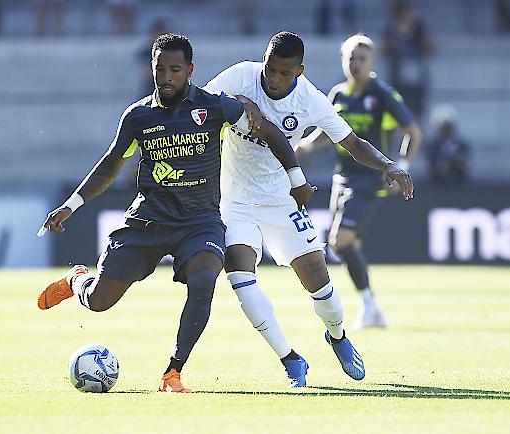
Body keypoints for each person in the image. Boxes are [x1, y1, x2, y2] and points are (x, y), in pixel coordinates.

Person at [36, 33, 315, 393]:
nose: (166, 77)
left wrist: (297, 180)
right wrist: (71, 205)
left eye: (175, 69)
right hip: (148, 221)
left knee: (204, 278)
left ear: (190, 70)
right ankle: (76, 280)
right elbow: (110, 166)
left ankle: (173, 372)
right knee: (99, 301)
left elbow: (272, 134)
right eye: (159, 69)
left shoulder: (215, 107)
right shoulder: (137, 117)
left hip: (200, 223)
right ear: (151, 70)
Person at [204, 32, 414, 387]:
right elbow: (198, 104)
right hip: (236, 202)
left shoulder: (310, 99)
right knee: (240, 278)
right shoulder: (241, 76)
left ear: (299, 71)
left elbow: (354, 144)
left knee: (317, 277)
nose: (273, 79)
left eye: (284, 73)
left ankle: (338, 335)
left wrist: (389, 165)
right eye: (270, 69)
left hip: (283, 201)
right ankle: (290, 359)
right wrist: (236, 102)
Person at [297, 33, 421, 329]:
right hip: (342, 178)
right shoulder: (338, 95)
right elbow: (329, 132)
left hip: (370, 178)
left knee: (340, 241)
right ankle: (371, 307)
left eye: (362, 58)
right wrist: (305, 146)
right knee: (339, 245)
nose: (356, 63)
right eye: (350, 57)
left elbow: (413, 131)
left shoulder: (383, 94)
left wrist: (400, 168)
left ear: (372, 62)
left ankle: (369, 305)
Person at [381, 0, 434, 120]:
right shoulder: (391, 28)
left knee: (417, 112)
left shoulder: (419, 27)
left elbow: (431, 49)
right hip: (398, 76)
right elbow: (384, 51)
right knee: (396, 109)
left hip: (417, 77)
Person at [426, 104, 470, 184]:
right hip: (437, 186)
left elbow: (464, 166)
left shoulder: (462, 145)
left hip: (459, 185)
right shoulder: (432, 145)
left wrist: (456, 160)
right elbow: (432, 168)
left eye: (449, 126)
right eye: (444, 127)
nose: (446, 130)